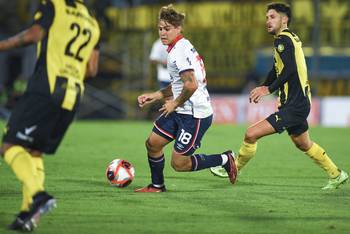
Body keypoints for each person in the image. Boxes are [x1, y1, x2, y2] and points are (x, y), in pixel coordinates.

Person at [210, 2, 348, 190]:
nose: (268, 21)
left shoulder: (282, 40)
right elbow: (277, 70)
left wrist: (268, 90)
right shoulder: (290, 38)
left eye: (272, 17)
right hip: (297, 103)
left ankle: (233, 167)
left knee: (251, 134)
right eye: (266, 17)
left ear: (284, 19)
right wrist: (264, 85)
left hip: (294, 105)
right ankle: (337, 174)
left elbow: (289, 70)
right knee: (303, 143)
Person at [0, 0, 100, 231]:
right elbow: (92, 69)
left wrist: (2, 45)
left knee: (9, 145)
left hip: (46, 88)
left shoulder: (54, 5)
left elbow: (34, 34)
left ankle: (38, 196)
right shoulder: (93, 21)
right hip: (73, 95)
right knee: (35, 152)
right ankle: (27, 214)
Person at [135, 4, 237, 193]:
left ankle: (225, 159)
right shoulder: (178, 47)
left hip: (194, 114)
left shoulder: (179, 52)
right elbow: (179, 84)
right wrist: (156, 95)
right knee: (153, 143)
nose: (163, 33)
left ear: (178, 28)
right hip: (181, 109)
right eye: (160, 28)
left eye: (167, 29)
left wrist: (174, 103)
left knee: (179, 163)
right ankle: (157, 185)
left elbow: (191, 84)